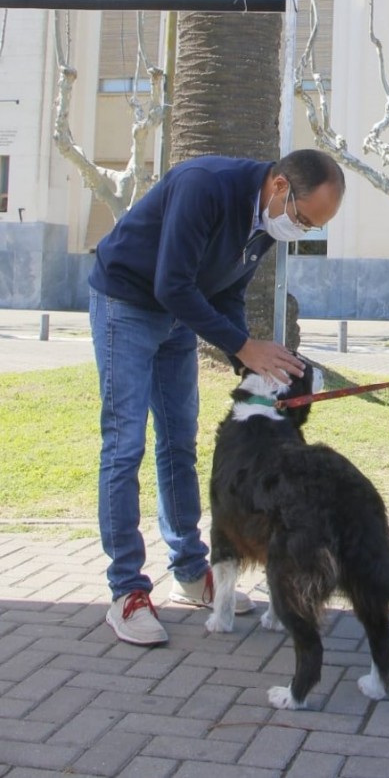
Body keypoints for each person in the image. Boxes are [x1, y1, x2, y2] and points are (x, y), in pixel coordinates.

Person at [89, 149, 345, 646]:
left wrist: (248, 361)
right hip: (127, 301)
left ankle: (189, 571)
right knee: (124, 445)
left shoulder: (267, 222)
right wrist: (244, 346)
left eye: (313, 227)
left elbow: (226, 292)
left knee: (179, 441)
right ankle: (127, 591)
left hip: (178, 313)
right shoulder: (204, 185)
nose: (302, 231)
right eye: (304, 219)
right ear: (278, 188)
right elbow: (172, 282)